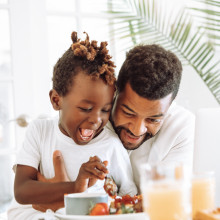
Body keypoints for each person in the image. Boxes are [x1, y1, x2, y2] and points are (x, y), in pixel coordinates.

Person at [7, 32, 137, 220]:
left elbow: (129, 199)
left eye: (105, 110)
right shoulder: (40, 131)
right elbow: (21, 190)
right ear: (56, 100)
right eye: (85, 108)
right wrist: (76, 187)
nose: (96, 120)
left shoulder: (111, 145)